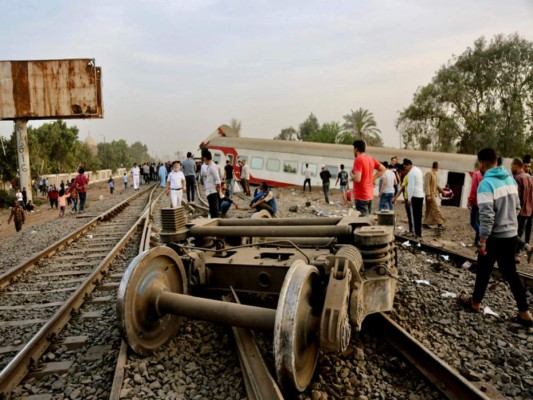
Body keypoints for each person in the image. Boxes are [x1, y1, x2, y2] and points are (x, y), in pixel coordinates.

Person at [458, 148, 533, 328]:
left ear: (482, 163)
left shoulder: (486, 184)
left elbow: (486, 216)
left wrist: (483, 241)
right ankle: (525, 313)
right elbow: (517, 207)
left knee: (484, 269)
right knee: (511, 273)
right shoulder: (509, 179)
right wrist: (509, 224)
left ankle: (475, 302)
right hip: (511, 235)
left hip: (495, 237)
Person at [351, 140, 386, 216]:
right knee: (368, 218)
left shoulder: (358, 159)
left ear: (356, 149)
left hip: (361, 196)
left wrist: (351, 175)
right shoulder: (370, 158)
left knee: (364, 222)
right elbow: (383, 168)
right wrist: (372, 178)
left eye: (353, 149)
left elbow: (357, 179)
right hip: (369, 195)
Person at [511, 158, 533, 259]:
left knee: (510, 232)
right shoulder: (529, 176)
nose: (511, 168)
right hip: (527, 210)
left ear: (515, 165)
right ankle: (516, 253)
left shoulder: (517, 178)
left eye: (512, 165)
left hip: (518, 210)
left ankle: (523, 248)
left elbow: (517, 197)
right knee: (519, 231)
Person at [403, 159, 424, 238]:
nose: (405, 169)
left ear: (409, 165)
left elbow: (410, 186)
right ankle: (419, 233)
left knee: (413, 216)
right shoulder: (418, 170)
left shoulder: (411, 173)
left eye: (405, 167)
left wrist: (409, 198)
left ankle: (414, 233)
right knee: (419, 215)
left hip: (414, 196)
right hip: (420, 195)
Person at [423, 161, 446, 231]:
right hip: (430, 195)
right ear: (436, 166)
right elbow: (427, 184)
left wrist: (442, 191)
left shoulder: (434, 175)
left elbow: (436, 185)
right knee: (436, 209)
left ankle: (425, 223)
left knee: (429, 210)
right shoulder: (429, 174)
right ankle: (440, 224)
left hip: (433, 194)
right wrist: (428, 195)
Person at [392, 165, 414, 235]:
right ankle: (412, 230)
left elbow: (401, 189)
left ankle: (411, 231)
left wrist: (395, 198)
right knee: (411, 215)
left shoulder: (407, 177)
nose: (400, 173)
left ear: (404, 170)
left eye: (401, 172)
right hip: (412, 198)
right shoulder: (411, 175)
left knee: (410, 215)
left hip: (408, 199)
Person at [203, 151, 222, 218]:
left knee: (214, 210)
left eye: (203, 158)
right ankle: (214, 223)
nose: (203, 160)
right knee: (212, 209)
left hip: (212, 191)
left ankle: (216, 225)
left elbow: (218, 179)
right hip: (210, 191)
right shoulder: (210, 166)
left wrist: (218, 190)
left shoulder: (213, 166)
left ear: (205, 158)